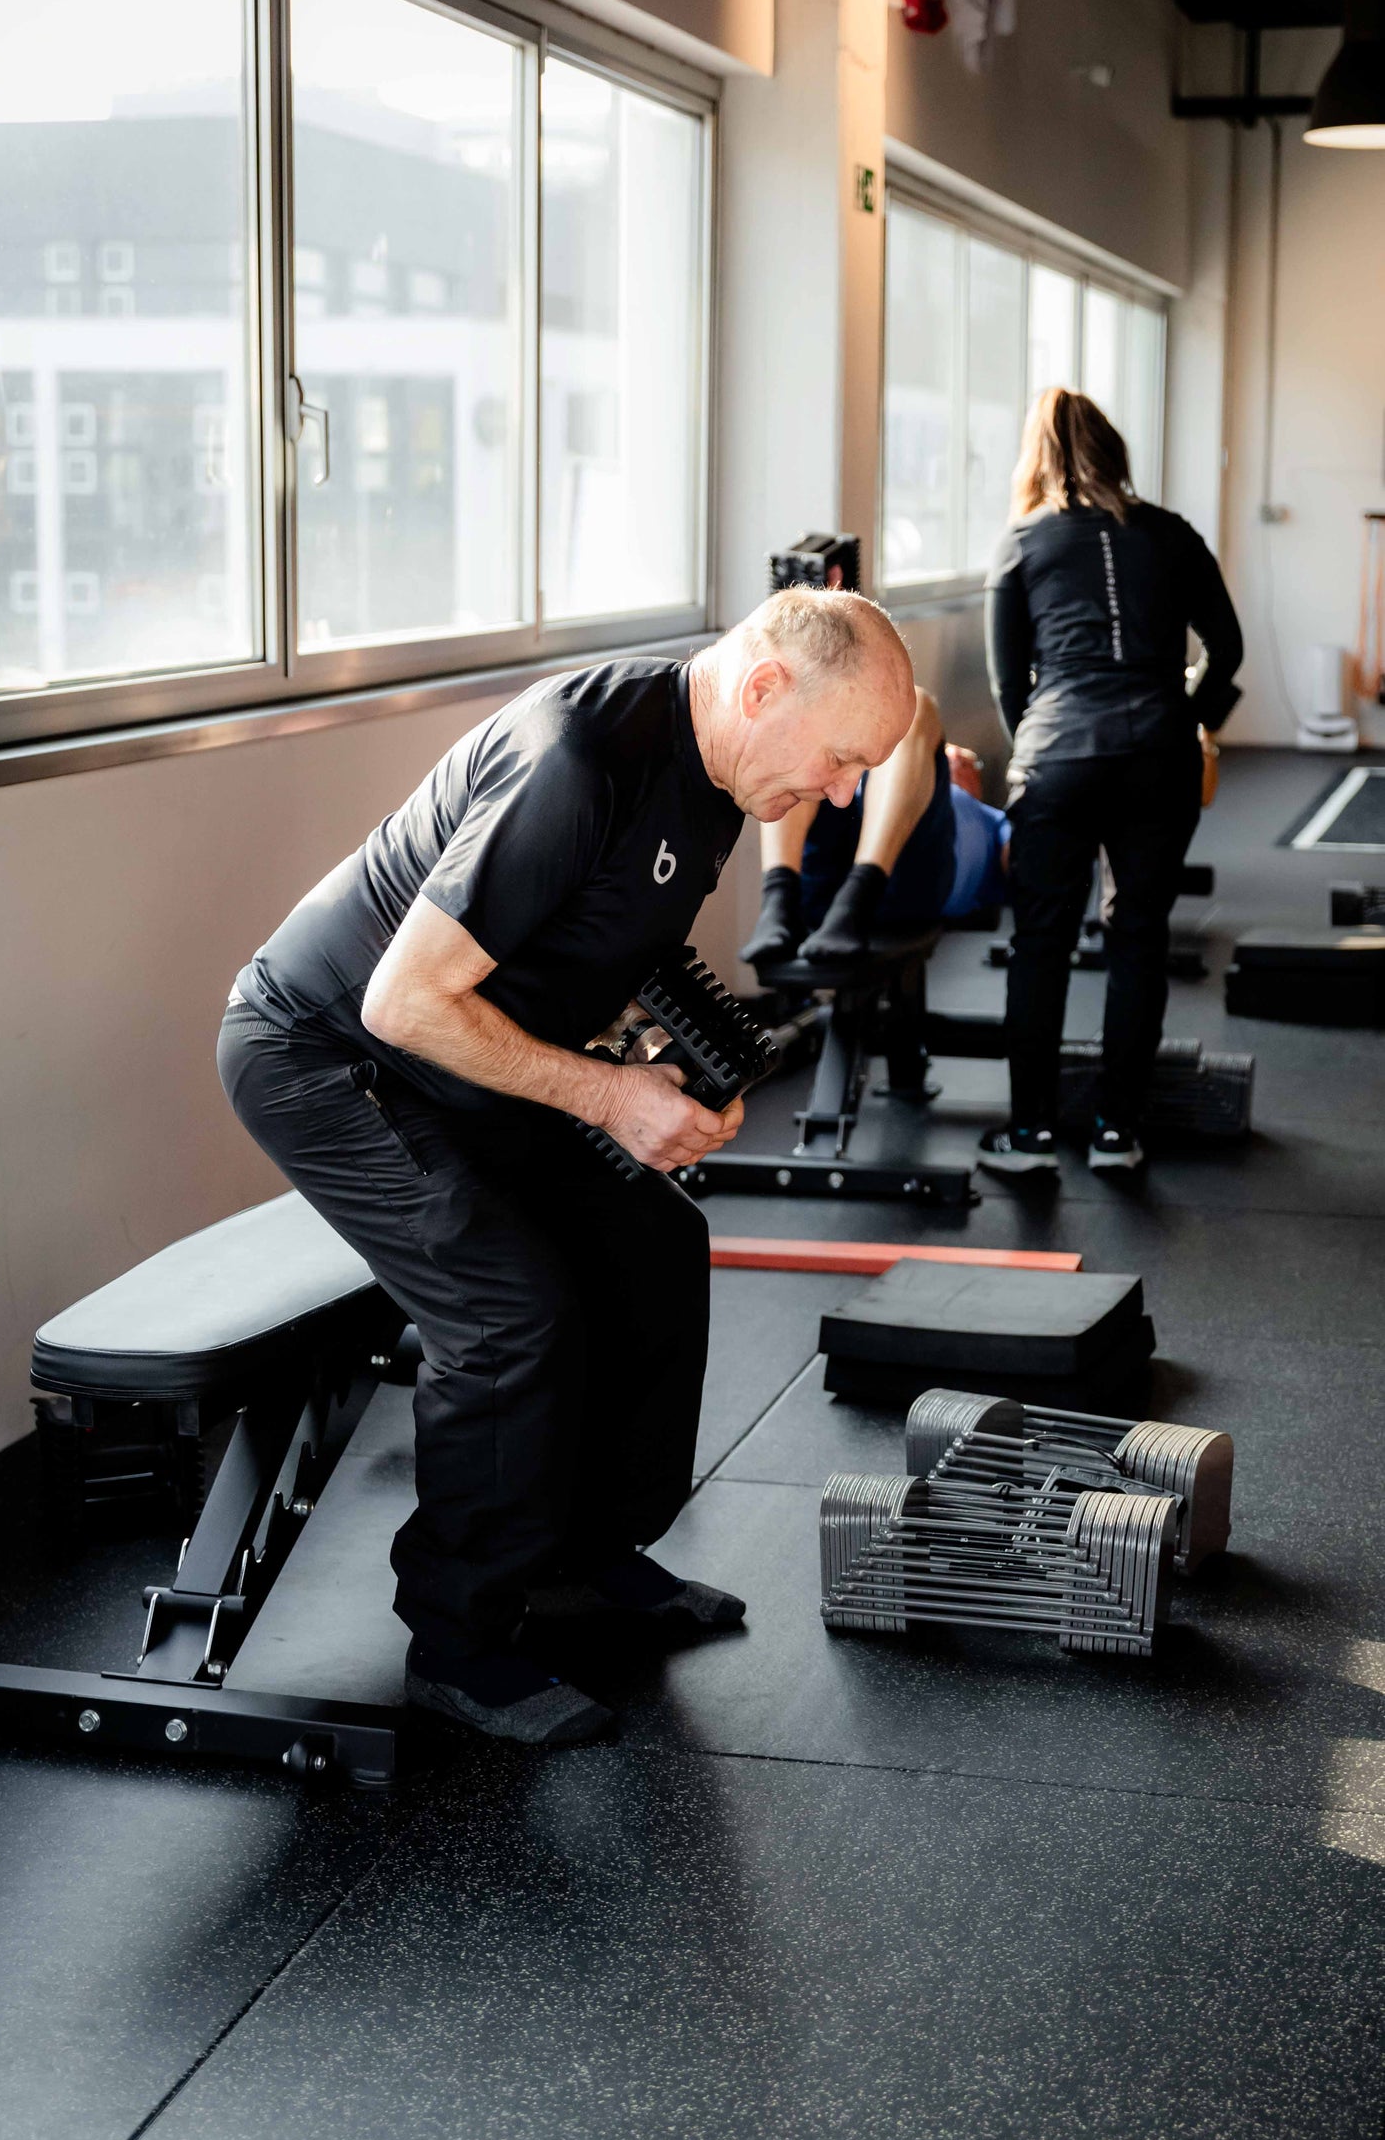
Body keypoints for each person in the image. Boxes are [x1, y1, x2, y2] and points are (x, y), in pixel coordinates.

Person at [217, 589, 916, 1746]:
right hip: (329, 1054)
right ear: (761, 690)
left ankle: (585, 1561)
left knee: (651, 1242)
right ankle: (457, 1638)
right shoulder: (578, 760)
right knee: (507, 1311)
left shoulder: (721, 780)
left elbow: (601, 948)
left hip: (462, 1057)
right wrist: (608, 1097)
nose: (843, 793)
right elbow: (402, 1001)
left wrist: (671, 1072)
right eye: (842, 760)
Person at [977, 387, 1242, 1178]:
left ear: (1037, 457)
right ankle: (1116, 1134)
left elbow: (1004, 686)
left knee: (1040, 943)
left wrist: (1040, 745)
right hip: (1159, 754)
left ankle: (1027, 1137)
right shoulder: (1172, 533)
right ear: (1115, 451)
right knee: (1138, 938)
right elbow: (1224, 650)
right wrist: (1184, 714)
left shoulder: (1020, 542)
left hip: (1057, 754)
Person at [742, 685, 1011, 965]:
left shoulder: (995, 823)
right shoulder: (873, 779)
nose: (956, 757)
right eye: (948, 752)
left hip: (907, 885)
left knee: (914, 703)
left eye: (970, 762)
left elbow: (1027, 859)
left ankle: (858, 897)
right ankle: (778, 900)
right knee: (803, 711)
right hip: (821, 888)